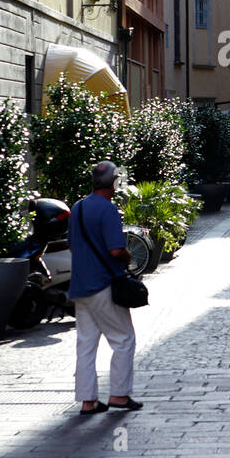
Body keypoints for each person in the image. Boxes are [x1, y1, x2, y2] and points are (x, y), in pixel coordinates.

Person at [68, 160, 144, 418]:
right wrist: (126, 257)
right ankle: (119, 396)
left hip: (80, 286)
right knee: (123, 340)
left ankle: (88, 401)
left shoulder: (77, 208)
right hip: (103, 284)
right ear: (114, 183)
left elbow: (72, 246)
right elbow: (114, 249)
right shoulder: (108, 210)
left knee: (86, 345)